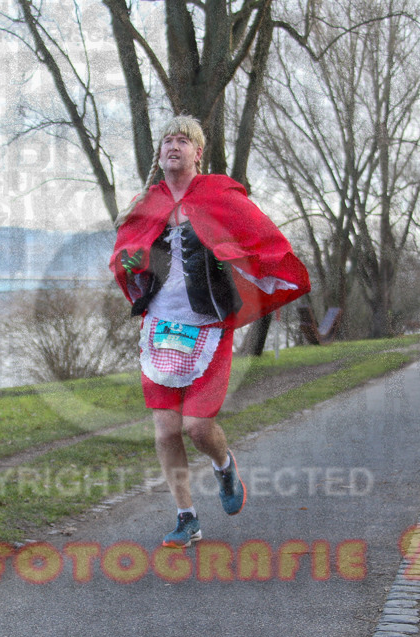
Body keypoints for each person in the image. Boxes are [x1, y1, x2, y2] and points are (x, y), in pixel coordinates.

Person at [111, 115, 310, 548]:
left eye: (183, 141)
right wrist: (130, 263)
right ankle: (187, 518)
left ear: (198, 152)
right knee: (165, 431)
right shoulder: (148, 201)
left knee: (198, 427)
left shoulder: (221, 194)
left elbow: (262, 239)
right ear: (159, 152)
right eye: (167, 140)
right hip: (160, 327)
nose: (173, 146)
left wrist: (232, 255)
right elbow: (125, 251)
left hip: (209, 326)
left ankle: (224, 467)